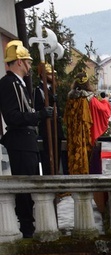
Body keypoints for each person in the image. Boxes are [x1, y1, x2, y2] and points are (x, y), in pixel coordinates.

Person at [0, 41, 54, 238]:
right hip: (20, 142)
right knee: (25, 189)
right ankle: (27, 230)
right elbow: (12, 116)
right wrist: (38, 115)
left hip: (27, 141)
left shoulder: (18, 84)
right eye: (28, 62)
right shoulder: (8, 84)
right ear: (20, 62)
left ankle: (29, 227)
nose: (30, 66)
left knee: (30, 187)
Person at [64, 73, 111, 175]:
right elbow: (104, 110)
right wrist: (105, 102)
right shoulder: (90, 98)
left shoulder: (70, 97)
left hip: (73, 134)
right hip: (86, 134)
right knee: (86, 155)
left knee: (74, 154)